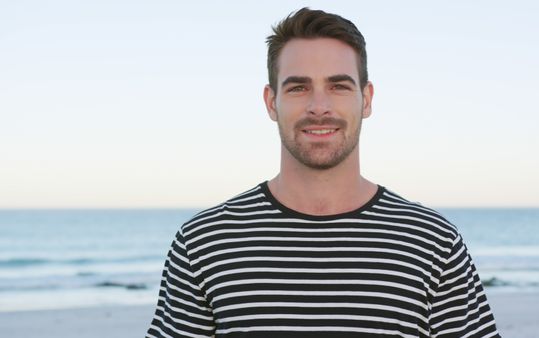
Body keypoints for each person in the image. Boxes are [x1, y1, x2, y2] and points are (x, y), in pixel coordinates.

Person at [147, 7, 500, 338]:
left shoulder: (432, 242)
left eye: (338, 86)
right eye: (299, 87)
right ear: (272, 102)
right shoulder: (203, 243)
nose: (319, 107)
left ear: (367, 99)